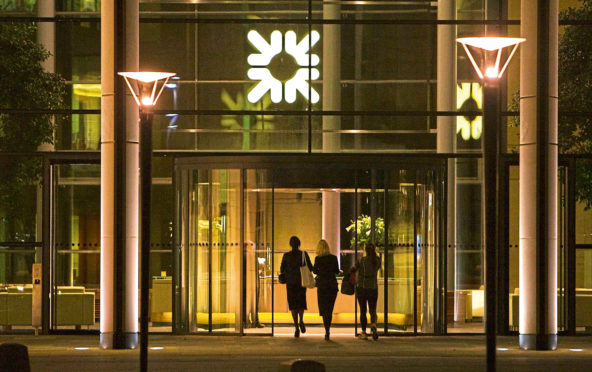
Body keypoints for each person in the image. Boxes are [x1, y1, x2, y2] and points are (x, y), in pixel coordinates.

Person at [280, 236, 313, 338]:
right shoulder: (304, 254)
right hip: (301, 282)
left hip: (290, 283)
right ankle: (301, 320)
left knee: (293, 305)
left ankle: (296, 328)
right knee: (301, 303)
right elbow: (310, 267)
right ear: (299, 244)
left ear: (290, 244)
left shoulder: (286, 256)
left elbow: (282, 269)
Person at [351, 242, 381, 340]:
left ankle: (363, 332)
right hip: (373, 288)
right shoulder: (377, 260)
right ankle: (374, 325)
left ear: (366, 251)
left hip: (362, 288)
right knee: (372, 309)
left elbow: (352, 269)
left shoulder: (361, 260)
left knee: (363, 310)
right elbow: (378, 268)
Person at [313, 239, 340, 340]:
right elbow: (336, 271)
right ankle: (328, 329)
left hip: (322, 286)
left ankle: (327, 330)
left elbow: (315, 271)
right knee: (329, 309)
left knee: (324, 309)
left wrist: (321, 272)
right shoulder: (333, 258)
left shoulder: (318, 259)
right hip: (332, 285)